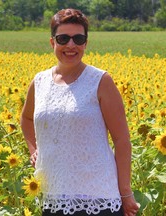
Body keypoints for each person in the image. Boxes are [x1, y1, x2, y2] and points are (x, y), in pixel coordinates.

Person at [20, 8, 140, 216]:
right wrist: (34, 150)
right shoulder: (39, 82)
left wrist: (126, 192)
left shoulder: (101, 81)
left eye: (78, 38)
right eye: (63, 38)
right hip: (54, 195)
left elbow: (122, 141)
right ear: (52, 43)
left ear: (86, 43)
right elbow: (26, 118)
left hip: (98, 197)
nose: (71, 45)